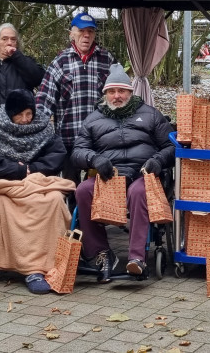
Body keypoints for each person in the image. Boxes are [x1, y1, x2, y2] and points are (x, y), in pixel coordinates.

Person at [71, 65, 174, 282]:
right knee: (82, 191)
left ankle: (137, 258)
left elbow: (171, 146)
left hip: (142, 174)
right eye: (112, 91)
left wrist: (158, 160)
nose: (117, 96)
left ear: (130, 92)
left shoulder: (150, 114)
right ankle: (101, 253)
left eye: (122, 91)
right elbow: (78, 151)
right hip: (109, 177)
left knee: (138, 192)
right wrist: (95, 159)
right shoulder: (93, 119)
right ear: (105, 94)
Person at [0, 90, 75, 294]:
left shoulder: (44, 126)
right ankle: (26, 267)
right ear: (10, 113)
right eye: (19, 115)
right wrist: (18, 169)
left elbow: (58, 155)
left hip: (39, 181)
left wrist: (33, 169)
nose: (25, 120)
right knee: (5, 204)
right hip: (7, 182)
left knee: (55, 199)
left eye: (29, 114)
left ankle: (50, 263)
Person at [35, 12, 115, 181]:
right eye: (81, 31)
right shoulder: (60, 61)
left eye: (90, 31)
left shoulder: (106, 59)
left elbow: (119, 93)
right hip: (68, 138)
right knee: (70, 187)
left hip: (99, 138)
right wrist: (36, 130)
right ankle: (71, 207)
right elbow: (44, 99)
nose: (86, 35)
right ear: (71, 33)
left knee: (97, 186)